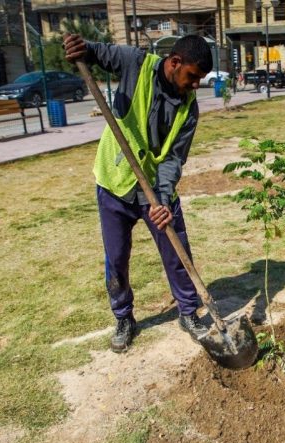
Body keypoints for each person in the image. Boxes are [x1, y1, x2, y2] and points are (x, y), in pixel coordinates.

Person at [63, 33, 213, 353]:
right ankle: (123, 317)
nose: (196, 85)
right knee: (116, 257)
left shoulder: (189, 108)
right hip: (115, 182)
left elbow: (174, 157)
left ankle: (188, 312)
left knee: (177, 251)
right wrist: (82, 49)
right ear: (175, 63)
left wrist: (162, 198)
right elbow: (98, 54)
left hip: (156, 188)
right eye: (193, 76)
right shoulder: (135, 63)